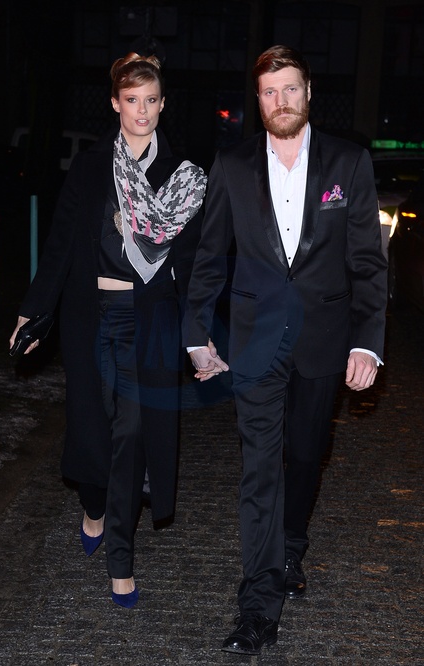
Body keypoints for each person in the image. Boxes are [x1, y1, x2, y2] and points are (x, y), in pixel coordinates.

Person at [182, 44, 387, 655]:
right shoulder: (233, 165)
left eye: (290, 88)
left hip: (325, 339)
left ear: (308, 92)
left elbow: (367, 263)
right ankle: (258, 606)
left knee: (305, 453)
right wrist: (196, 333)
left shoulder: (348, 163)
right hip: (256, 343)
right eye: (270, 92)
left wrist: (367, 342)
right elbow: (210, 255)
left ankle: (292, 541)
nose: (281, 101)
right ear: (259, 100)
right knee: (260, 469)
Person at [9, 53, 206, 609]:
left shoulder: (184, 176)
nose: (142, 110)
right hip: (89, 317)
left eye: (151, 100)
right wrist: (33, 309)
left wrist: (199, 333)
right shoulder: (91, 167)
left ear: (162, 105)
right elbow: (61, 244)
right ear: (115, 103)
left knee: (132, 436)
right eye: (131, 100)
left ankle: (122, 560)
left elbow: (194, 264)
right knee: (93, 431)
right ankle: (92, 508)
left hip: (149, 322)